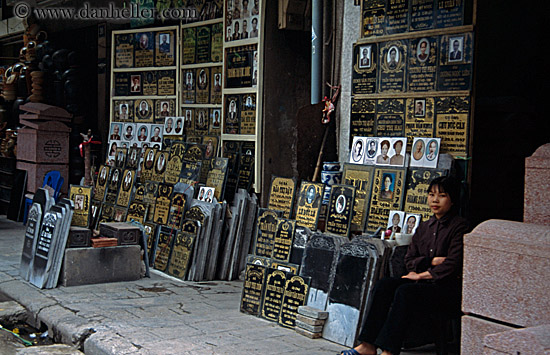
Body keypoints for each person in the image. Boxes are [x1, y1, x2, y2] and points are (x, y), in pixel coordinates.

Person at [341, 176, 468, 355]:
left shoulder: (459, 227)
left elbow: (452, 264)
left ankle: (389, 351)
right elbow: (409, 259)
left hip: (445, 289)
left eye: (442, 195)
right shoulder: (424, 227)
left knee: (405, 291)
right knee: (384, 285)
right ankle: (367, 345)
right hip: (421, 283)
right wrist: (430, 261)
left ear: (452, 199)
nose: (435, 200)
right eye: (431, 195)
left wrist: (421, 274)